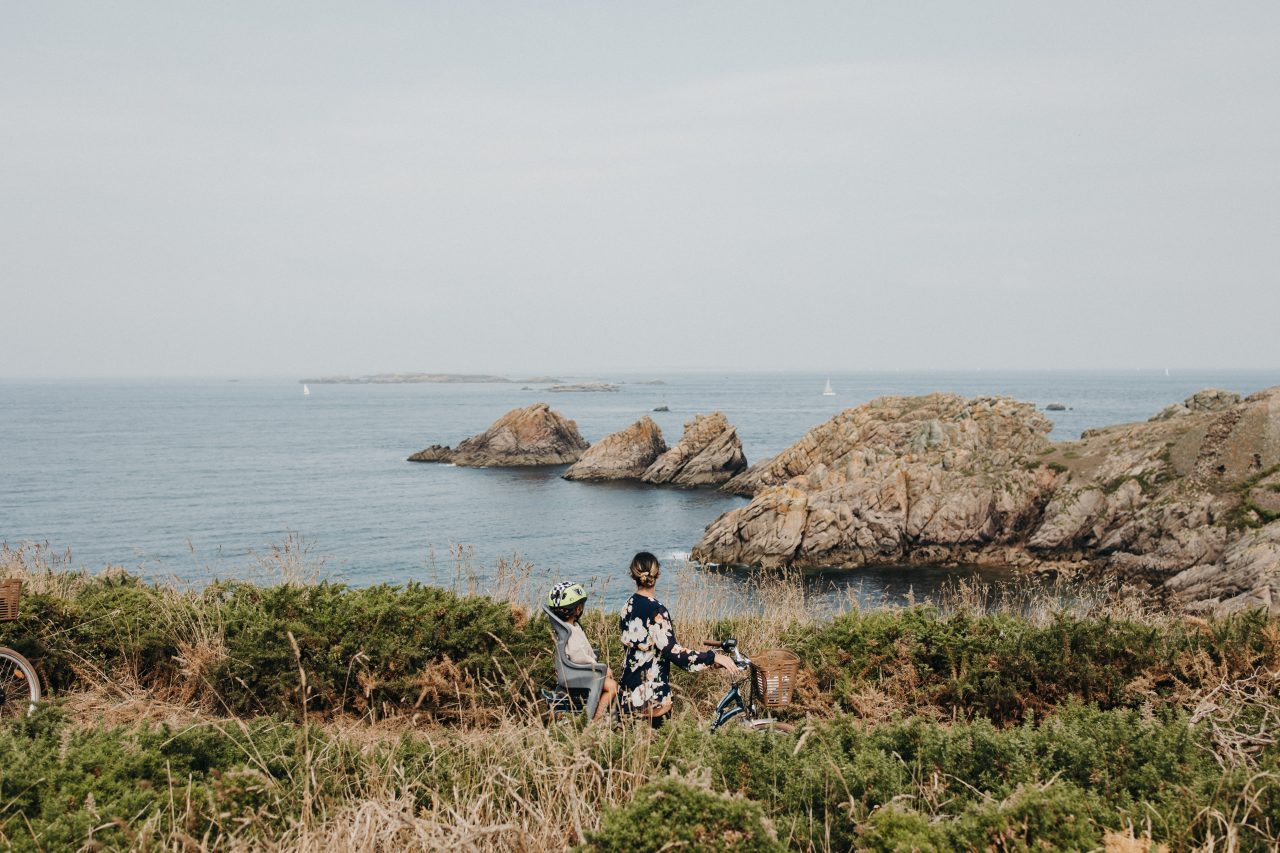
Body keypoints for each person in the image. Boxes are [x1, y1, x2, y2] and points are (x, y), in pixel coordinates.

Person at [618, 552, 735, 727]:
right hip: (650, 694)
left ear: (633, 575)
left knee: (636, 750)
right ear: (657, 575)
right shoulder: (656, 611)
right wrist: (712, 657)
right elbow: (674, 653)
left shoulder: (626, 606)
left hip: (627, 690)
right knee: (662, 749)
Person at [547, 581, 618, 721]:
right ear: (578, 609)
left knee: (609, 680)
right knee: (613, 687)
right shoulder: (570, 632)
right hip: (578, 672)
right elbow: (579, 657)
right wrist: (600, 668)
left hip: (577, 671)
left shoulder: (568, 628)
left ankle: (606, 715)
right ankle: (595, 721)